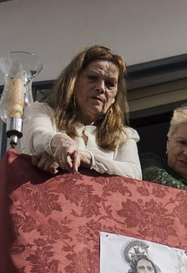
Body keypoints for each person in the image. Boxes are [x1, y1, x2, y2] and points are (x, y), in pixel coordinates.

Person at [24, 44, 141, 178]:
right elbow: (37, 134)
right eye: (92, 78)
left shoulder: (123, 136)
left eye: (110, 84)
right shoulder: (42, 111)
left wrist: (84, 158)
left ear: (114, 97)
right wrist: (60, 142)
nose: (101, 88)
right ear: (73, 82)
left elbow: (134, 174)